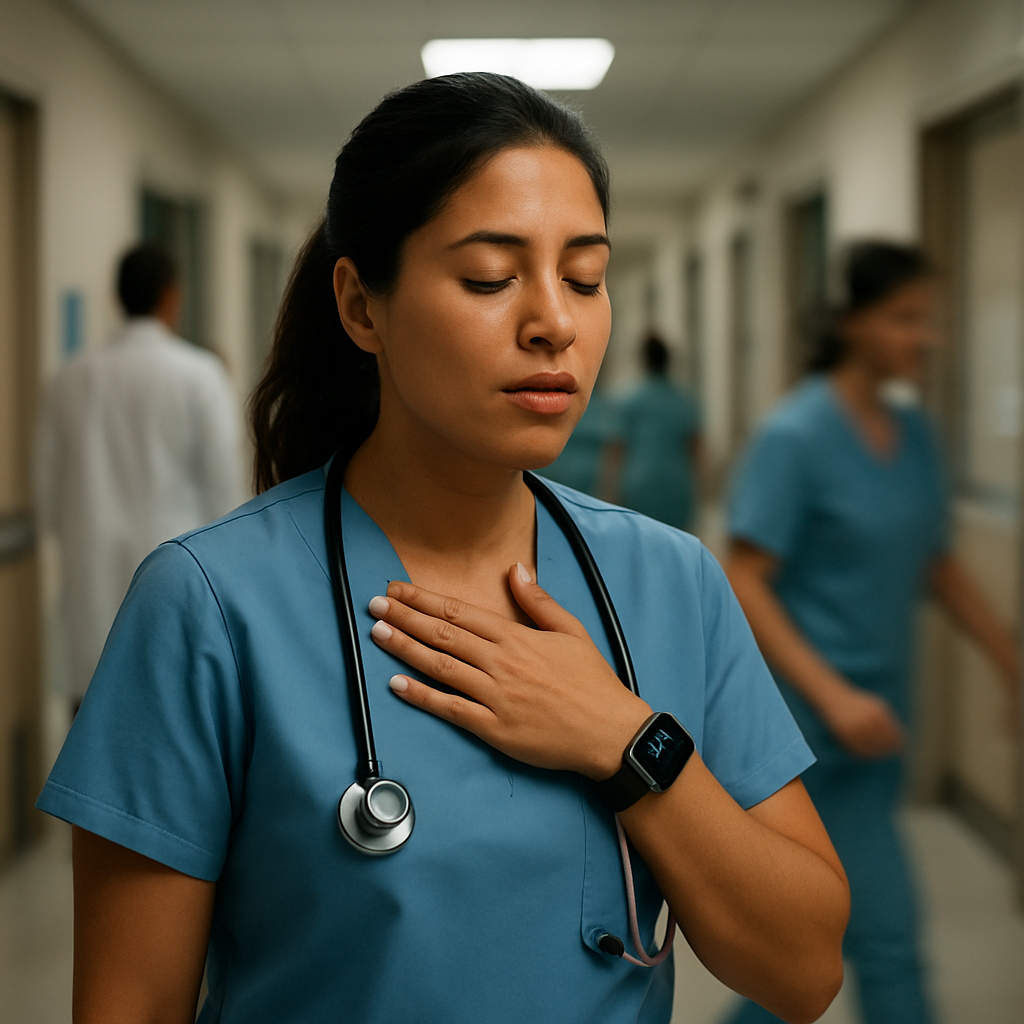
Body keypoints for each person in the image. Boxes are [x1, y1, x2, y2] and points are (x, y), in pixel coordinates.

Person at [37, 74, 848, 1024]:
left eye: (586, 277)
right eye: (490, 278)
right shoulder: (212, 606)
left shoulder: (672, 581)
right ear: (361, 305)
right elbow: (129, 1005)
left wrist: (626, 743)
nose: (555, 321)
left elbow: (804, 970)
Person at [723, 241, 1019, 1024]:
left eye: (932, 321)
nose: (927, 338)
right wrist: (833, 692)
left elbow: (936, 561)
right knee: (882, 941)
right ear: (854, 324)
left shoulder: (916, 435)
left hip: (879, 724)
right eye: (906, 319)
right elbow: (744, 576)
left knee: (823, 944)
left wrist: (1005, 656)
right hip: (807, 729)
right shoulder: (796, 436)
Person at [35, 243, 243, 713]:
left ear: (117, 298)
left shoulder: (68, 379)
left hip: (89, 595)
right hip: (177, 593)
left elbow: (47, 502)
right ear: (172, 297)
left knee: (90, 740)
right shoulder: (200, 375)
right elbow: (224, 498)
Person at [614, 332, 702, 530]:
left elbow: (617, 450)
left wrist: (610, 492)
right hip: (676, 485)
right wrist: (700, 493)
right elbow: (696, 450)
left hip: (639, 484)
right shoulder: (683, 401)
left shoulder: (631, 401)